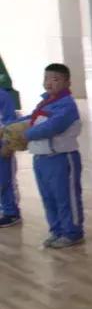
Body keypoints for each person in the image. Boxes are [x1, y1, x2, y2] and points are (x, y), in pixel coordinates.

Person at [21, 63, 84, 248]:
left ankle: (72, 232)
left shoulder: (67, 105)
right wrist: (9, 126)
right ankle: (57, 231)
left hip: (61, 158)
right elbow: (31, 119)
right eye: (46, 78)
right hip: (41, 158)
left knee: (65, 197)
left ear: (67, 82)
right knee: (48, 197)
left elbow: (52, 127)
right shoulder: (46, 102)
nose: (49, 83)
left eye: (55, 79)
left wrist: (24, 134)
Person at [0, 87, 20, 228]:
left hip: (2, 147)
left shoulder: (3, 96)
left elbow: (11, 123)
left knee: (5, 179)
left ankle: (11, 212)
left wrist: (8, 145)